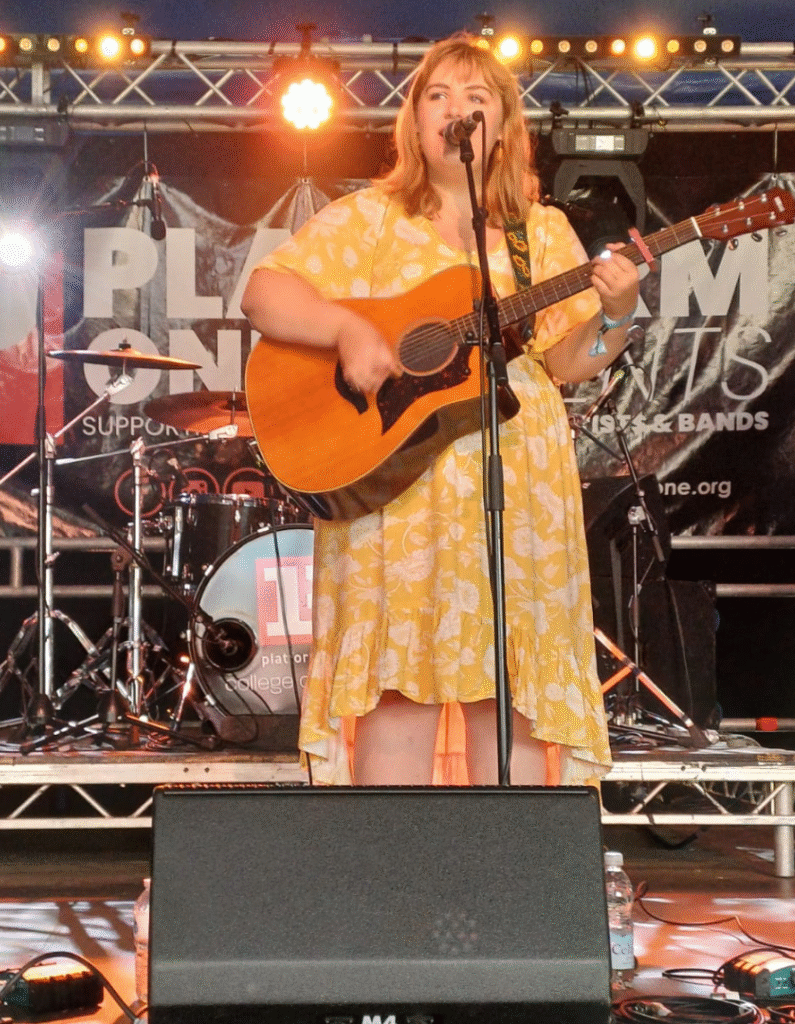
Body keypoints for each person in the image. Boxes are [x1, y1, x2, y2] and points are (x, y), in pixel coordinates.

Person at [241, 33, 640, 787]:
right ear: (415, 121)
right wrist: (349, 328)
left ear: (504, 125)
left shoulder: (539, 233)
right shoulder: (371, 219)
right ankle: (395, 892)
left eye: (476, 100)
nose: (456, 112)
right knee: (398, 692)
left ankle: (510, 888)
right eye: (439, 97)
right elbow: (264, 293)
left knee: (513, 687)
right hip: (399, 487)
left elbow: (564, 360)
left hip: (514, 483)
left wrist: (616, 313)